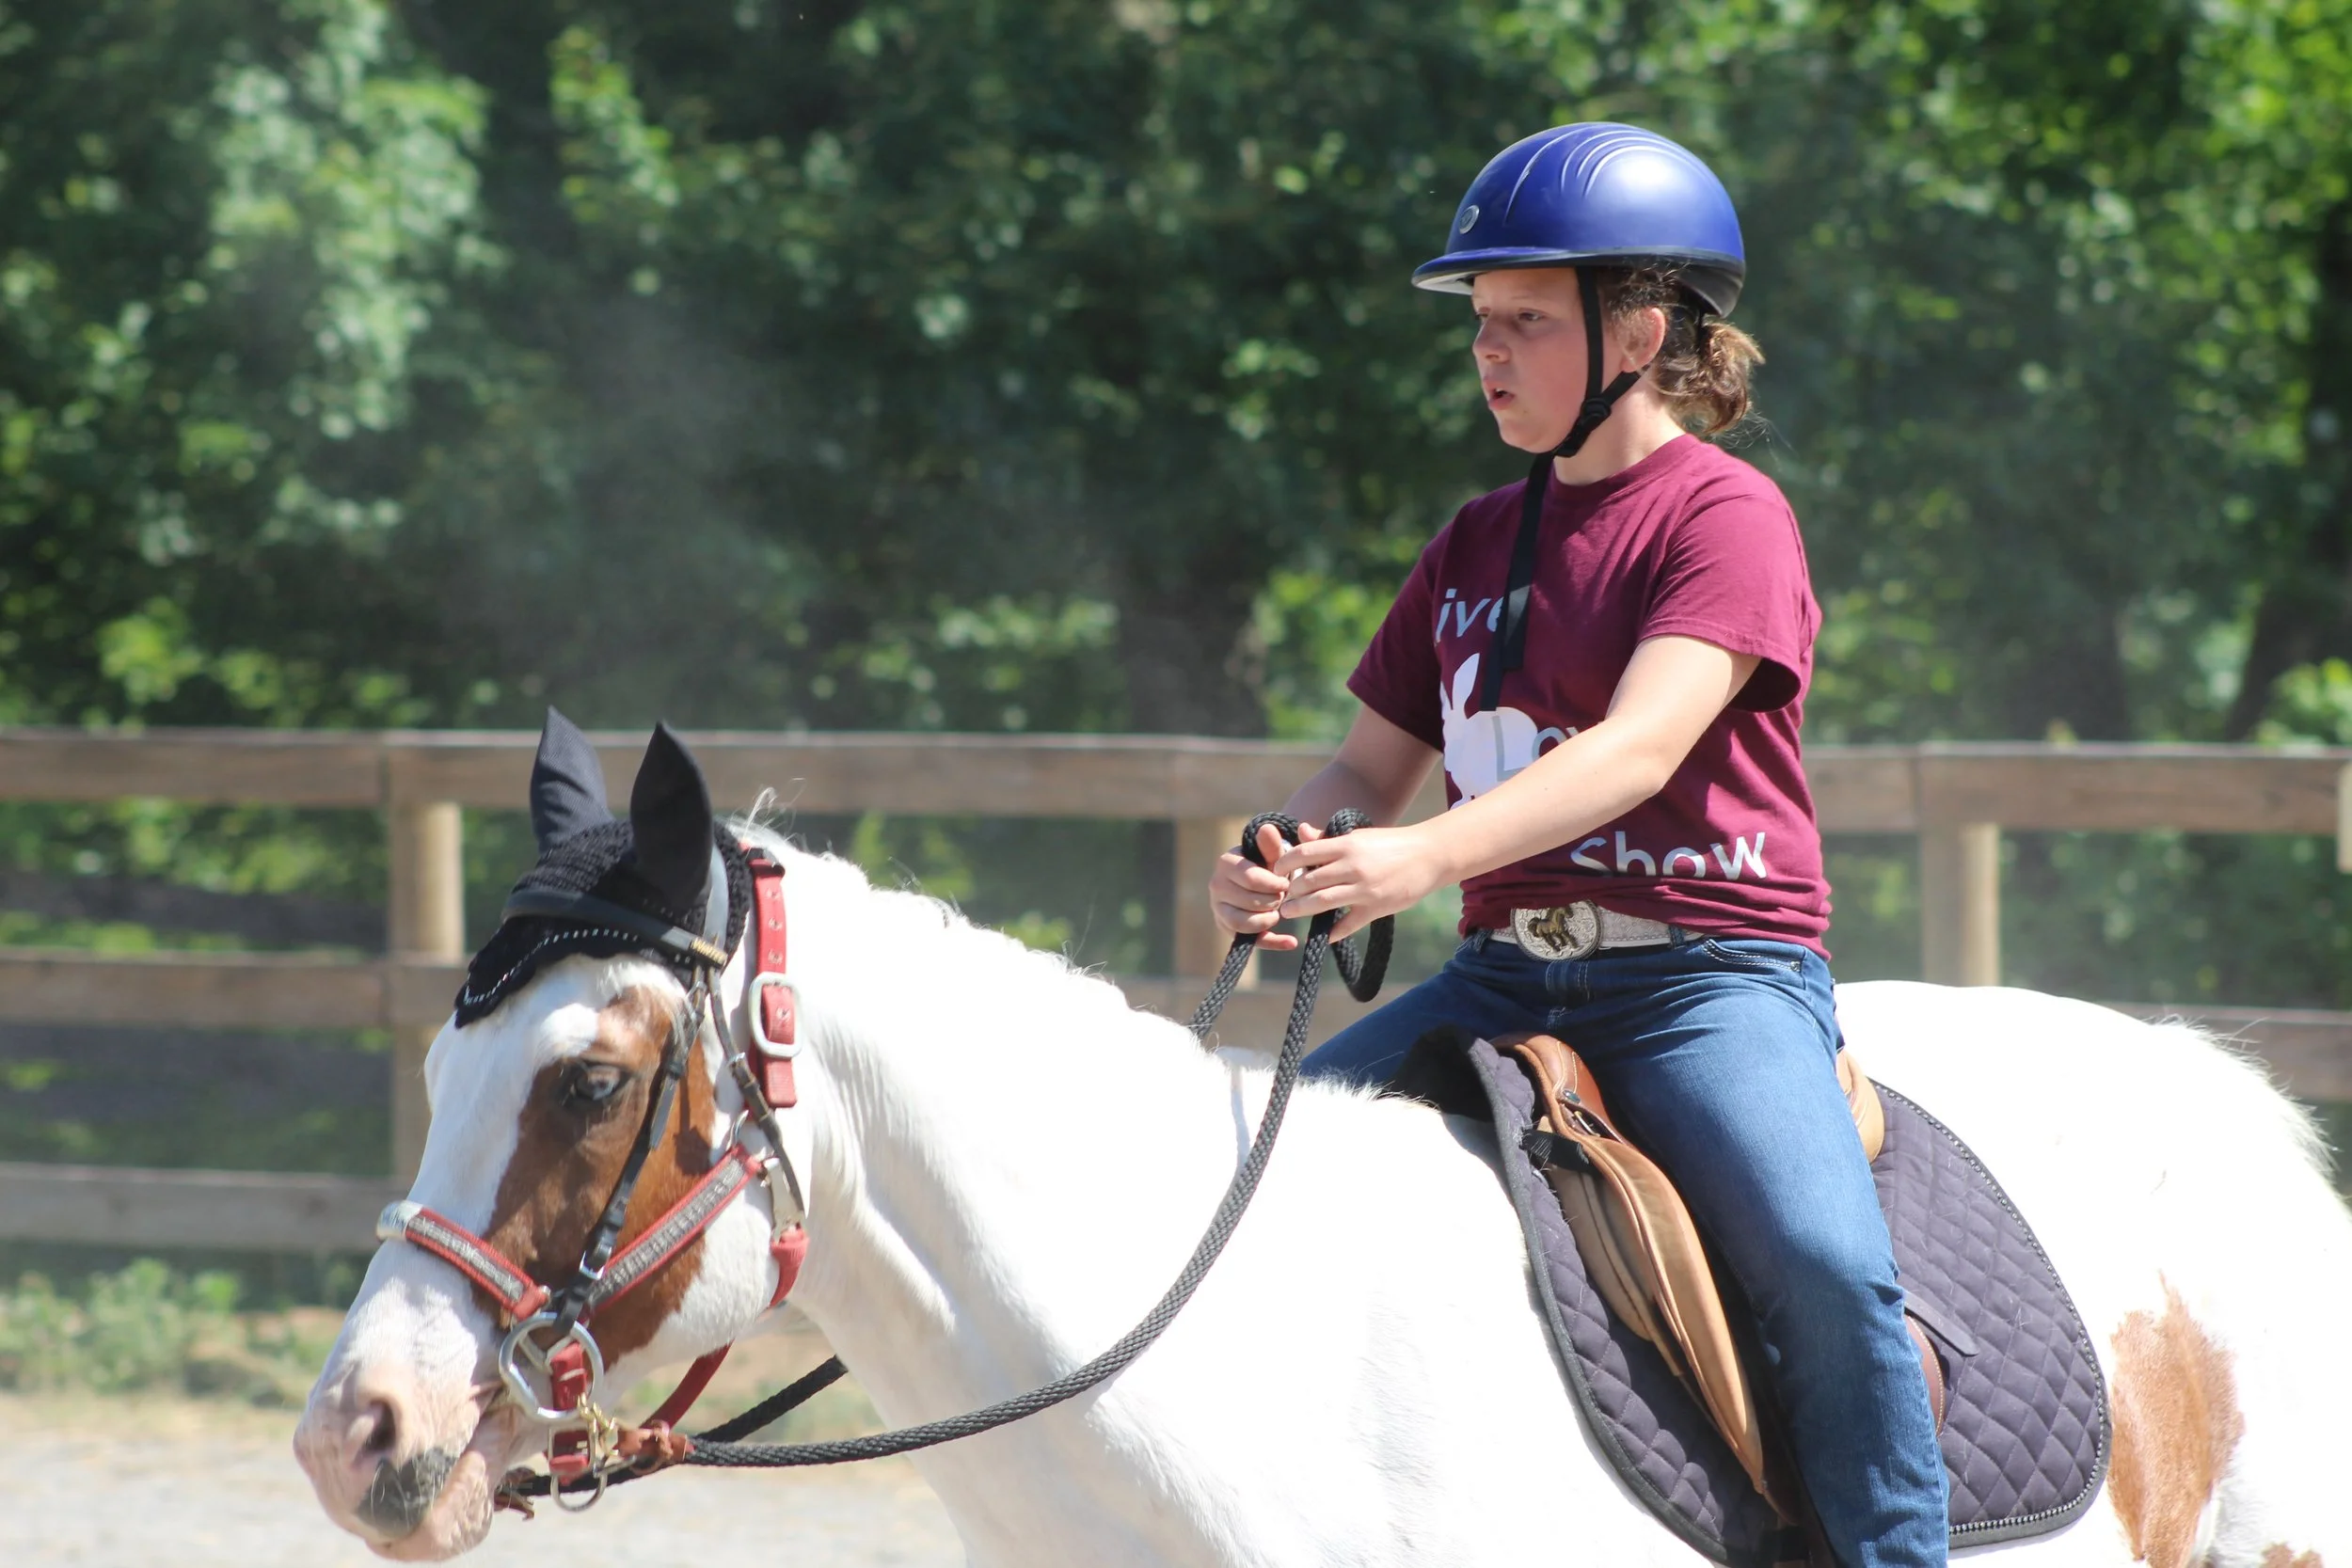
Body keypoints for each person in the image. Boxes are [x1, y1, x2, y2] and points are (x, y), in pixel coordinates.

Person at [1206, 123, 1947, 1565]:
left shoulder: (1727, 515)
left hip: (1707, 979)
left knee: (1827, 1264)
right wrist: (1297, 851)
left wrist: (1417, 860)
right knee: (1236, 1178)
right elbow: (1366, 761)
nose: (1490, 353)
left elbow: (1639, 747)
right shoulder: (1477, 539)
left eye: (1527, 322)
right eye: (1481, 325)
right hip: (1499, 979)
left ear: (1642, 329)